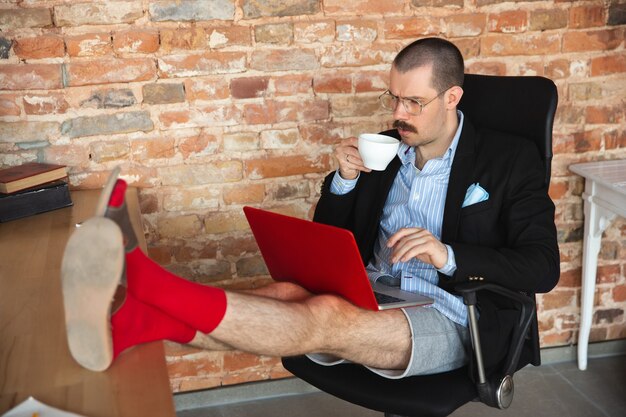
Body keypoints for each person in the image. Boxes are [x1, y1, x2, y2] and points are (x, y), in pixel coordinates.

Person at [61, 37, 559, 378]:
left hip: (453, 315)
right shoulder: (385, 150)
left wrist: (447, 254)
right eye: (393, 98)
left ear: (452, 97)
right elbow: (330, 233)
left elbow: (542, 267)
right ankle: (135, 323)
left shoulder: (510, 159)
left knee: (320, 314)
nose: (396, 115)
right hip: (373, 289)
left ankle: (141, 281)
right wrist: (343, 181)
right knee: (281, 292)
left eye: (413, 103)